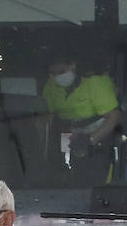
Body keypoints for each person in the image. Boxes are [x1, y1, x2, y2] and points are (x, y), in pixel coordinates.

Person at [42, 56, 121, 185]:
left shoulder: (95, 83)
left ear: (72, 66)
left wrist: (90, 140)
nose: (57, 77)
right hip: (71, 136)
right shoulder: (50, 87)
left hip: (101, 135)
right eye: (53, 73)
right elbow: (46, 120)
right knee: (76, 176)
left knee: (98, 176)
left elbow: (114, 116)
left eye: (61, 72)